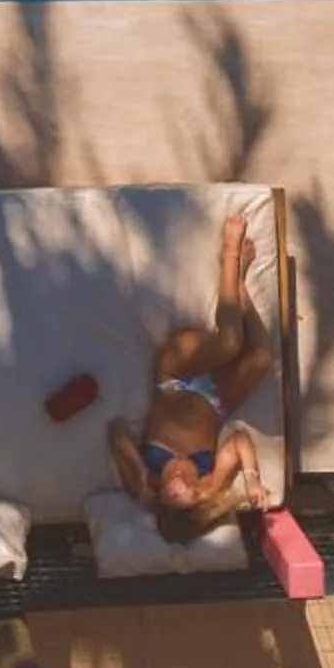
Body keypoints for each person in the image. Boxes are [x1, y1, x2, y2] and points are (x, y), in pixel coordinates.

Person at [106, 212, 275, 539]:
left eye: (174, 496)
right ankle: (238, 288)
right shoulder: (208, 484)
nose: (181, 486)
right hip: (217, 401)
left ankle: (229, 257)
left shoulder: (145, 481)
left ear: (162, 502)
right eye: (188, 497)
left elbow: (116, 430)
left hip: (174, 377)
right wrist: (252, 479)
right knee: (262, 356)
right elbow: (238, 440)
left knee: (229, 342)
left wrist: (139, 471)